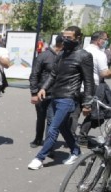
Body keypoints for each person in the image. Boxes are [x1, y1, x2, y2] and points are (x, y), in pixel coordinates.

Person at [28, 26, 94, 170]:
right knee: (63, 127)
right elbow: (53, 75)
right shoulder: (62, 54)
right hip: (55, 96)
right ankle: (76, 151)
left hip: (69, 98)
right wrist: (43, 88)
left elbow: (89, 82)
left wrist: (87, 103)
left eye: (69, 37)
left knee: (53, 128)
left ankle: (39, 158)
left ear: (78, 38)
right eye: (64, 37)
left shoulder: (84, 56)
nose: (65, 40)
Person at [28, 35, 63, 148]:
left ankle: (49, 145)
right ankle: (38, 139)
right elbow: (34, 74)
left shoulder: (65, 57)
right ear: (60, 44)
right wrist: (34, 93)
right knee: (41, 117)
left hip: (57, 94)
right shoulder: (44, 56)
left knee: (51, 120)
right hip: (41, 93)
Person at [78, 31, 111, 146]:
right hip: (94, 86)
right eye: (105, 39)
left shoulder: (82, 50)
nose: (106, 41)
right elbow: (104, 73)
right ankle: (82, 137)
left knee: (76, 112)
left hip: (79, 85)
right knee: (99, 113)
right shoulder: (99, 54)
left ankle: (73, 137)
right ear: (99, 40)